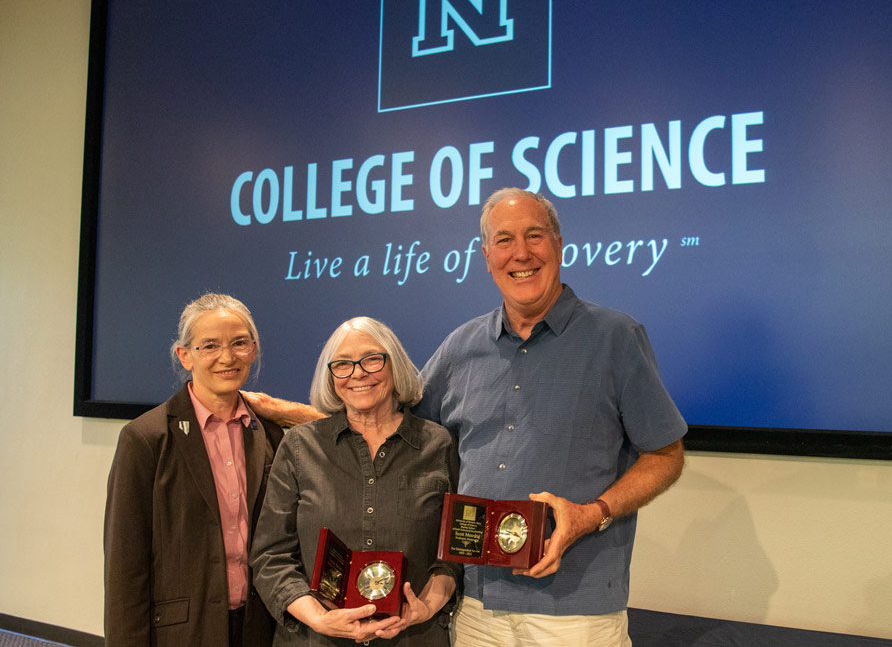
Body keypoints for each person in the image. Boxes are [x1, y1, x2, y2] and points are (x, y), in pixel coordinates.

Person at [414, 188, 687, 646]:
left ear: (559, 244)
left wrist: (590, 515)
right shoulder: (460, 347)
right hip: (477, 606)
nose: (520, 253)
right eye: (504, 241)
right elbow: (399, 431)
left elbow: (666, 455)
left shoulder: (616, 338)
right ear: (486, 257)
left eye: (534, 236)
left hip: (576, 613)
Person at [103, 293, 321, 647]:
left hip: (259, 626)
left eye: (239, 343)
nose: (227, 357)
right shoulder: (145, 439)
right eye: (210, 346)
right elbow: (124, 564)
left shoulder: (269, 433)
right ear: (185, 356)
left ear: (254, 349)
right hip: (183, 632)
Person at [249, 317, 461, 646]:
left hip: (413, 638)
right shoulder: (300, 447)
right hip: (316, 639)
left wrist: (426, 607)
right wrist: (319, 617)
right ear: (330, 376)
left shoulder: (439, 445)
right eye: (343, 364)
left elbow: (455, 555)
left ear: (395, 366)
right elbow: (270, 556)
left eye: (372, 359)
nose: (358, 373)